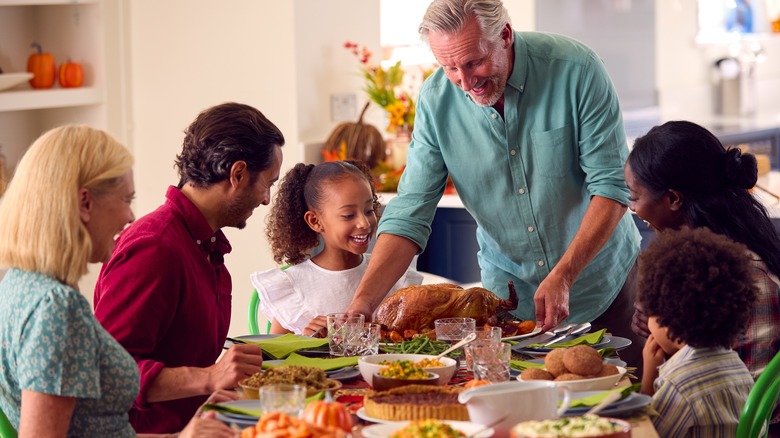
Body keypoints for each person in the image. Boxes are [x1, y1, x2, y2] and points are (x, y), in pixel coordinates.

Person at [345, 0, 643, 367]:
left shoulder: (576, 70)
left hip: (604, 285)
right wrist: (363, 302)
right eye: (449, 67)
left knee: (619, 408)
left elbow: (611, 186)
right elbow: (410, 211)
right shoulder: (436, 100)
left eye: (473, 62)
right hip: (509, 300)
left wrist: (564, 274)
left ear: (504, 34)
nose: (466, 83)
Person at [0, 125, 235, 437]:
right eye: (126, 199)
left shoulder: (20, 282)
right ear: (85, 204)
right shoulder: (56, 307)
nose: (130, 216)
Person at [93, 102, 284, 433]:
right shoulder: (156, 247)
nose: (267, 198)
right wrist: (210, 376)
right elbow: (107, 372)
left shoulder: (204, 245)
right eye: (267, 183)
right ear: (237, 174)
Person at [626, 119, 780, 424]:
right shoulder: (699, 266)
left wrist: (670, 340)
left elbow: (736, 396)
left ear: (672, 199)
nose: (633, 209)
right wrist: (664, 332)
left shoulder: (743, 277)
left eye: (634, 196)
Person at [251, 160, 422, 336]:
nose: (364, 223)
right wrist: (305, 340)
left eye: (369, 210)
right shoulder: (293, 286)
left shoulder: (390, 270)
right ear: (315, 221)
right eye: (348, 215)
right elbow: (275, 355)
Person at [638, 227, 756, 437]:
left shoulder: (678, 383)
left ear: (670, 321)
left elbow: (647, 433)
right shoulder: (736, 364)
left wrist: (649, 375)